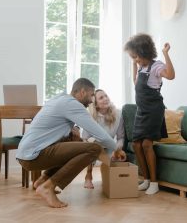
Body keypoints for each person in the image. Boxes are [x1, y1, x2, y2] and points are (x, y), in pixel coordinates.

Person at [16, 78, 120, 208]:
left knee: (75, 143)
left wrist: (73, 132)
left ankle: (42, 181)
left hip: (25, 154)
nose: (92, 100)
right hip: (33, 156)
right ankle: (48, 187)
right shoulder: (72, 104)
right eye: (91, 94)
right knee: (94, 149)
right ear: (82, 92)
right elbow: (100, 134)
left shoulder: (60, 99)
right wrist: (117, 149)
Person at [124, 33, 175, 195]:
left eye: (136, 57)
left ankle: (154, 182)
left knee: (147, 144)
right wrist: (134, 64)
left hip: (154, 110)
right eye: (133, 58)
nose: (135, 60)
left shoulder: (156, 66)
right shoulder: (141, 67)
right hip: (141, 110)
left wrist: (166, 53)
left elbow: (171, 76)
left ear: (144, 52)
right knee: (136, 145)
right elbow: (135, 83)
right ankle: (146, 179)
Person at [82, 89, 126, 189]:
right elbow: (85, 138)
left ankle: (108, 177)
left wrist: (117, 150)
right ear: (95, 104)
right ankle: (88, 176)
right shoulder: (90, 116)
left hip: (110, 146)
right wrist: (91, 145)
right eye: (101, 98)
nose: (105, 99)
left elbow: (121, 138)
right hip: (94, 146)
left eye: (106, 96)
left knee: (120, 158)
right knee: (91, 146)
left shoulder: (118, 114)